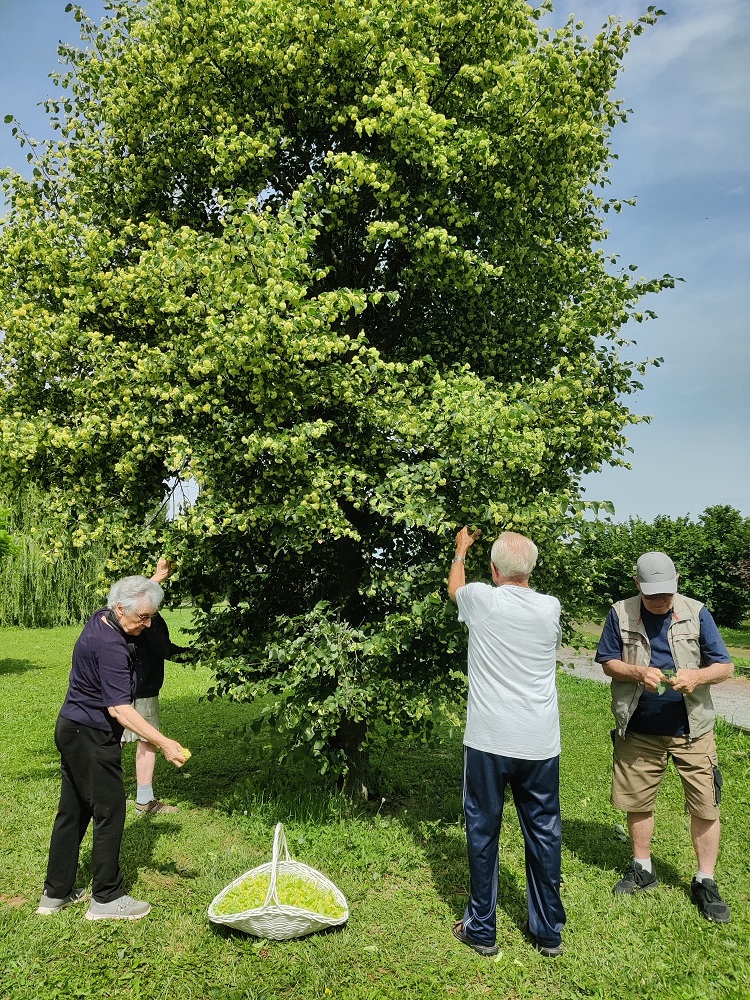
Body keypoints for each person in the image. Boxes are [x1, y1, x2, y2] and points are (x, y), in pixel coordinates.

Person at [37, 576, 189, 920]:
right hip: (91, 735)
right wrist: (164, 743)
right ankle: (106, 898)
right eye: (144, 618)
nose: (147, 625)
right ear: (121, 609)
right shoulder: (111, 646)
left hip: (72, 728)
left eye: (151, 617)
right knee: (110, 811)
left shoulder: (103, 616)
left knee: (74, 811)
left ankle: (55, 893)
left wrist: (155, 580)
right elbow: (120, 709)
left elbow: (130, 595)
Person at [595, 551, 734, 923]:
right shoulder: (620, 613)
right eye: (653, 593)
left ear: (677, 584)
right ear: (637, 585)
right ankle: (643, 868)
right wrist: (638, 673)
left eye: (667, 593)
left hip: (693, 730)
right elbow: (608, 662)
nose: (660, 600)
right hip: (638, 728)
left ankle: (705, 880)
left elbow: (725, 666)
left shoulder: (697, 612)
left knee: (706, 805)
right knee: (638, 801)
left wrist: (697, 676)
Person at [448, 527, 566, 959]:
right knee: (544, 831)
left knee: (483, 829)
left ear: (494, 570)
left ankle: (481, 928)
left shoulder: (481, 599)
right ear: (530, 569)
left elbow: (454, 588)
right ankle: (548, 931)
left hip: (489, 739)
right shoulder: (550, 607)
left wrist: (461, 551)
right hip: (539, 741)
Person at [123, 558, 192, 815]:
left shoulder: (124, 613)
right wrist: (198, 655)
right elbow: (165, 649)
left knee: (114, 740)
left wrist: (158, 575)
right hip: (142, 686)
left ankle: (96, 794)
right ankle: (144, 801)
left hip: (119, 685)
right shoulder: (149, 620)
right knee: (147, 740)